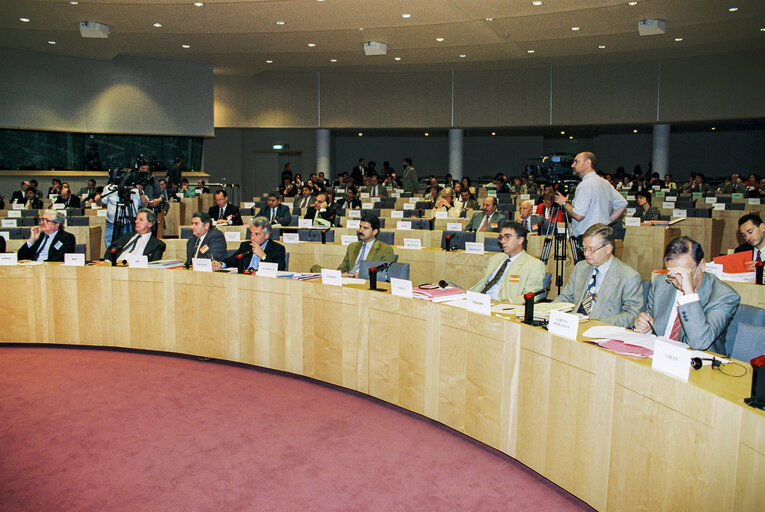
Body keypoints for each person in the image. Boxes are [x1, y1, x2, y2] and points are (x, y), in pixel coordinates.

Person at [634, 237, 740, 355]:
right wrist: (646, 327)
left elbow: (700, 342)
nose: (678, 281)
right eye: (672, 274)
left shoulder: (724, 296)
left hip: (699, 363)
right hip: (661, 356)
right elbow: (653, 327)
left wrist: (689, 294)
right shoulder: (661, 283)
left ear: (702, 266)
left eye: (684, 273)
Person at [553, 224, 642, 328]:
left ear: (608, 248)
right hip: (573, 325)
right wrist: (547, 311)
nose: (586, 254)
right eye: (584, 249)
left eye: (591, 249)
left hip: (603, 330)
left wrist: (599, 323)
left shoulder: (628, 276)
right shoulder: (581, 267)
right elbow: (566, 297)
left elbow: (632, 314)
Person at [554, 152, 628, 240]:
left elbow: (578, 215)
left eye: (576, 162)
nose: (572, 165)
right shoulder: (605, 183)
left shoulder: (585, 185)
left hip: (588, 239)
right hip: (603, 236)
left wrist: (564, 203)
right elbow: (622, 204)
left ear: (587, 163)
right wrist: (606, 222)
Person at [469, 221, 546, 303]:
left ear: (520, 240)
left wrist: (510, 301)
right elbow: (483, 284)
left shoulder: (534, 265)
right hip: (480, 300)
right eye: (501, 237)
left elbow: (533, 295)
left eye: (507, 237)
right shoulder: (496, 258)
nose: (503, 241)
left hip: (501, 304)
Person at [212, 217, 286, 271]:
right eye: (251, 233)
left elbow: (279, 269)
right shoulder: (245, 246)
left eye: (257, 234)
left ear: (266, 235)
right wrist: (220, 264)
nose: (252, 238)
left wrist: (263, 256)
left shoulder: (278, 249)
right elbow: (232, 260)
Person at [331, 213, 395, 278]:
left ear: (375, 231)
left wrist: (363, 276)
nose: (360, 230)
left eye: (365, 228)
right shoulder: (352, 246)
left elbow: (386, 274)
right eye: (360, 227)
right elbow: (342, 267)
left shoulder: (385, 249)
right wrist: (342, 273)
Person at [95, 181, 145, 247]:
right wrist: (97, 200)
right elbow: (100, 203)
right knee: (111, 247)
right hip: (112, 223)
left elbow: (145, 204)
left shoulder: (136, 188)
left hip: (130, 223)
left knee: (130, 246)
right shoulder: (110, 188)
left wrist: (141, 193)